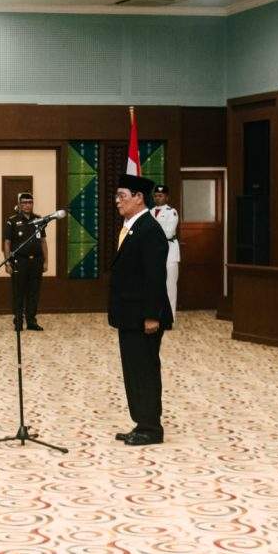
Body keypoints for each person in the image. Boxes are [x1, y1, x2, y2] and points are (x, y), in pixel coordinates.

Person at [110, 174, 173, 446]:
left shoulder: (150, 230)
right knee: (134, 370)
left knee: (144, 370)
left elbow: (154, 277)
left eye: (122, 196)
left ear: (138, 197)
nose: (117, 202)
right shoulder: (132, 226)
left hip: (143, 317)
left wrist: (151, 315)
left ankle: (151, 428)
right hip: (130, 315)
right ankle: (141, 422)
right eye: (116, 197)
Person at [4, 192, 46, 331]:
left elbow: (43, 241)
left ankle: (31, 321)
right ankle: (18, 321)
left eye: (30, 202)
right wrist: (7, 262)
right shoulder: (13, 220)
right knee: (18, 292)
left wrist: (46, 261)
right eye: (24, 203)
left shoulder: (39, 219)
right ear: (20, 205)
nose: (27, 205)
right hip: (19, 262)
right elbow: (7, 243)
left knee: (34, 292)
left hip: (36, 261)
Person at [151, 185, 180, 321]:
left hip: (170, 253)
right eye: (156, 195)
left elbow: (168, 233)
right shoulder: (149, 212)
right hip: (154, 253)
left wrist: (151, 233)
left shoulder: (171, 212)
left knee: (170, 286)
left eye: (161, 195)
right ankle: (157, 316)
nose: (158, 198)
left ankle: (170, 318)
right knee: (155, 286)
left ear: (166, 197)